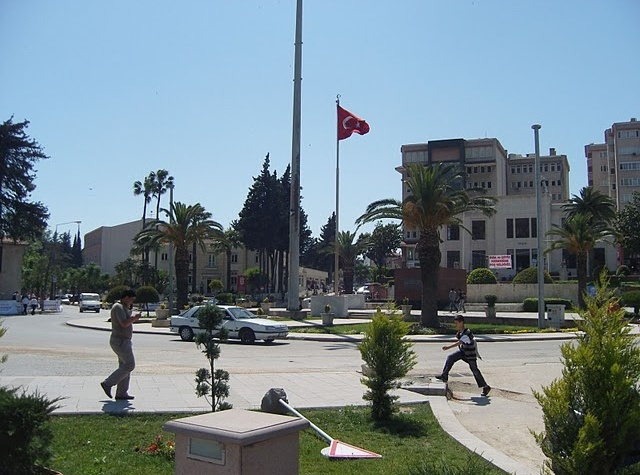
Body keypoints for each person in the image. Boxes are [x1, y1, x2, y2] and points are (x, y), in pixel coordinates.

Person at [435, 314, 491, 397]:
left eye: (457, 323)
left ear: (461, 323)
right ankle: (444, 375)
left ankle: (485, 387)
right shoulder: (461, 332)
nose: (456, 325)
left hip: (470, 355)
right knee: (451, 357)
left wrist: (448, 347)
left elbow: (459, 342)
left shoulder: (467, 333)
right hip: (463, 352)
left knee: (475, 370)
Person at [100, 289, 141, 401]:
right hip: (120, 341)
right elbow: (124, 323)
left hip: (124, 341)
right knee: (129, 365)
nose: (132, 302)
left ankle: (122, 392)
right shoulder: (118, 307)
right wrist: (134, 318)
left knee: (124, 366)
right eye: (131, 299)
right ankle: (108, 383)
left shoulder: (124, 308)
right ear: (126, 297)